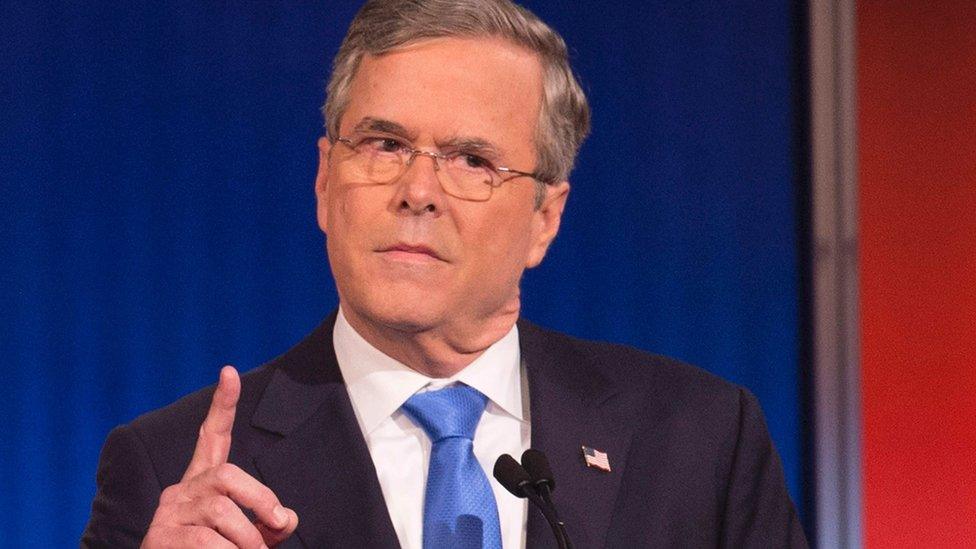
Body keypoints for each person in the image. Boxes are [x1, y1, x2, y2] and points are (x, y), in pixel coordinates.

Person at [83, 0, 807, 547]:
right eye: (384, 143)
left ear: (544, 218)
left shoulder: (699, 437)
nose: (418, 190)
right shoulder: (171, 472)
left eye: (472, 160)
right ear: (324, 180)